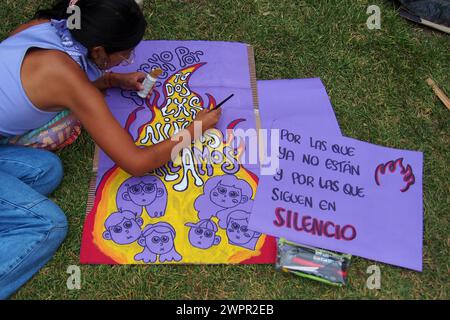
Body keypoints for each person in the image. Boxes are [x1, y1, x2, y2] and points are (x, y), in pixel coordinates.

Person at [0, 0, 221, 299]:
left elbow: (69, 73)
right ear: (99, 52)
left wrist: (114, 79)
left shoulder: (47, 27)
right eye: (126, 55)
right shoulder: (71, 82)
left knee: (47, 170)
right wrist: (195, 128)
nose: (129, 58)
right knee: (48, 225)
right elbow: (137, 162)